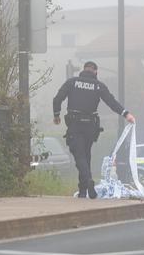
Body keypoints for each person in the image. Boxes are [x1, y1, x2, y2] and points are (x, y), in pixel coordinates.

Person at [53, 61, 135, 198]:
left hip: (75, 124)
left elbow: (57, 99)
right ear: (96, 72)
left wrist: (56, 115)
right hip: (90, 126)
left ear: (84, 70)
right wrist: (126, 114)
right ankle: (83, 191)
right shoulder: (98, 86)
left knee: (79, 156)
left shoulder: (72, 82)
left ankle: (88, 181)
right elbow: (111, 102)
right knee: (86, 155)